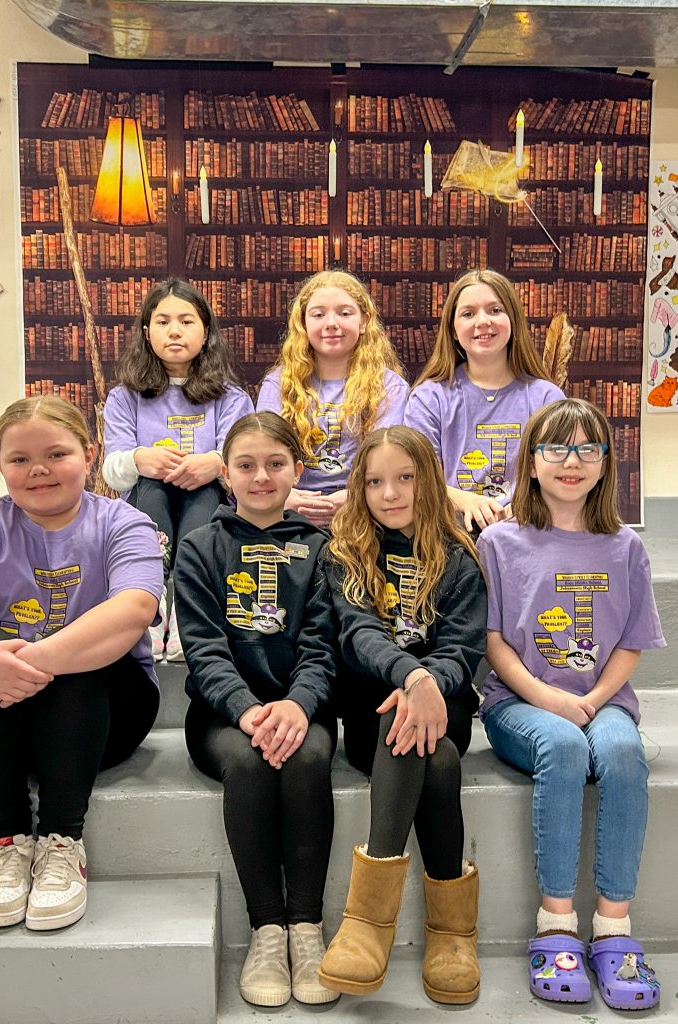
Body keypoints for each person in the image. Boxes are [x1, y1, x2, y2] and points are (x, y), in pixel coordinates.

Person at [0, 396, 162, 931]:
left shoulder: (126, 522)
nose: (38, 470)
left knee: (85, 647)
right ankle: (6, 841)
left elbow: (134, 609)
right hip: (6, 719)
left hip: (106, 717)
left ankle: (61, 841)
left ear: (89, 454)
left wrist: (35, 661)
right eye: (20, 459)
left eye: (56, 453)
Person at [477, 398, 664, 1011]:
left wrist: (596, 700)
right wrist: (550, 699)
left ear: (607, 463)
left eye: (588, 448)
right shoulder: (501, 542)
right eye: (556, 447)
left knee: (622, 750)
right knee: (560, 745)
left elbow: (631, 643)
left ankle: (613, 930)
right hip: (520, 703)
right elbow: (496, 644)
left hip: (601, 699)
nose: (571, 460)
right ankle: (556, 922)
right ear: (531, 463)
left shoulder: (624, 547)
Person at [174, 412, 339, 1008]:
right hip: (221, 716)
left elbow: (324, 645)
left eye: (276, 464)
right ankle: (267, 929)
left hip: (304, 706)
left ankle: (307, 928)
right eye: (246, 465)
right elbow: (204, 649)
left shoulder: (323, 550)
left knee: (307, 760)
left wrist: (297, 705)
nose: (262, 476)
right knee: (247, 766)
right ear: (225, 474)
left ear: (298, 470)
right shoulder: (199, 549)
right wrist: (246, 711)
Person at [318, 426, 486, 1004]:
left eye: (405, 478)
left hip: (448, 707)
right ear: (359, 488)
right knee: (426, 755)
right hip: (372, 708)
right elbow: (358, 634)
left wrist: (431, 682)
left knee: (430, 744)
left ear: (429, 480)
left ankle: (369, 925)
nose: (390, 493)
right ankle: (450, 934)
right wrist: (410, 678)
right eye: (374, 481)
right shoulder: (345, 551)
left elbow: (463, 648)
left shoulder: (460, 557)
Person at [103, 278, 253, 660]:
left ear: (205, 334)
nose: (174, 331)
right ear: (146, 332)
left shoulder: (230, 397)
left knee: (203, 498)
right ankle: (149, 612)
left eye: (187, 321)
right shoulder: (125, 397)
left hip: (205, 502)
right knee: (151, 492)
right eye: (163, 321)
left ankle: (189, 614)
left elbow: (248, 465)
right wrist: (139, 459)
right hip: (148, 501)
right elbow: (111, 470)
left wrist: (216, 462)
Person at [404, 268, 564, 533]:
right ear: (453, 330)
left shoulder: (546, 397)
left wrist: (521, 507)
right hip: (452, 535)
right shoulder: (429, 398)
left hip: (529, 529)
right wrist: (466, 501)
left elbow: (560, 472)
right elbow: (416, 477)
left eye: (495, 310)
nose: (482, 322)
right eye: (468, 314)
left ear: (512, 320)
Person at [256, 270, 408, 528]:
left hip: (366, 510)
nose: (331, 323)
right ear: (303, 324)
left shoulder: (389, 386)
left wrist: (356, 497)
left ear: (364, 321)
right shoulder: (278, 384)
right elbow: (262, 451)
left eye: (345, 313)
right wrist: (285, 496)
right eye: (318, 314)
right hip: (289, 508)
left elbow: (389, 458)